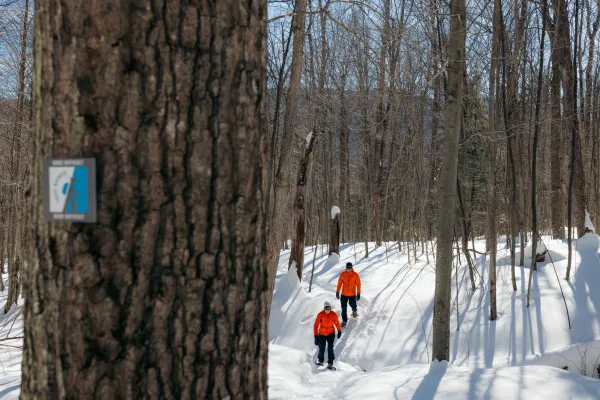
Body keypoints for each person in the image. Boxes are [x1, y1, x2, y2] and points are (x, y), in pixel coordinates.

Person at [313, 301, 342, 369]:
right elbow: (316, 325)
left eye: (329, 309)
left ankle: (330, 362)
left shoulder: (333, 314)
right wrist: (316, 335)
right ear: (324, 308)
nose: (327, 310)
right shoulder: (320, 314)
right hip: (322, 334)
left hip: (330, 333)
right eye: (326, 309)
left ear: (330, 308)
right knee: (322, 347)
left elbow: (337, 323)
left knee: (330, 347)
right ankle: (320, 360)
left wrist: (339, 330)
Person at [336, 262, 361, 326]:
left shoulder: (355, 275)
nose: (348, 269)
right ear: (346, 267)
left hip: (352, 294)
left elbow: (358, 285)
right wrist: (337, 291)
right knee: (343, 308)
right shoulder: (342, 274)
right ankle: (344, 320)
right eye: (347, 268)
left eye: (349, 268)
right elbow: (339, 284)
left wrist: (358, 293)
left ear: (352, 267)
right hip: (344, 294)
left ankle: (354, 311)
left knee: (353, 305)